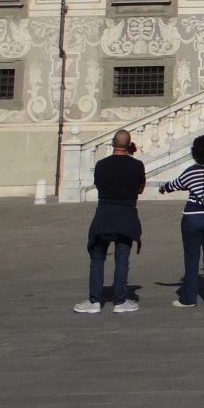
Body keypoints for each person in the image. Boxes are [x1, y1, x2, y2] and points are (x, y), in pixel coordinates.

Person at [75, 130, 145, 314]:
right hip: (126, 215)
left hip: (104, 214)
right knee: (122, 259)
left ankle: (94, 300)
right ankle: (120, 300)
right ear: (130, 145)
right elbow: (140, 189)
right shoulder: (137, 165)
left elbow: (99, 185)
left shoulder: (101, 165)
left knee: (97, 258)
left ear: (113, 144)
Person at [158, 135, 204, 307]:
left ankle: (188, 298)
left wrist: (163, 188)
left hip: (195, 216)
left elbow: (175, 184)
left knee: (191, 258)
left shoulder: (192, 171)